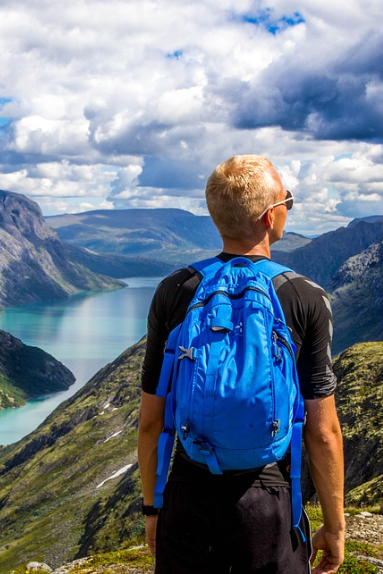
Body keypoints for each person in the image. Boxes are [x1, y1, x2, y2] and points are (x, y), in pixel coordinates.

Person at [138, 155, 346, 574]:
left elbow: (151, 422)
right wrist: (335, 527)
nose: (289, 206)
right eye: (288, 199)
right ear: (271, 217)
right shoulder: (304, 296)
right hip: (269, 497)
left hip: (188, 489)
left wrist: (153, 508)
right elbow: (323, 432)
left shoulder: (176, 289)